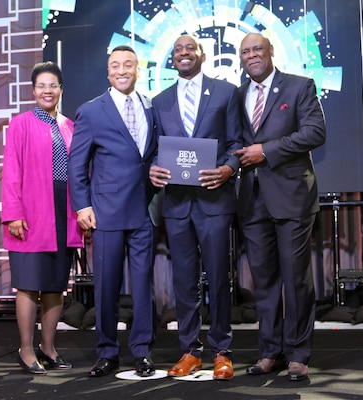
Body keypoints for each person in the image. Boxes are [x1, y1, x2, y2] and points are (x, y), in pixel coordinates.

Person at [233, 32, 326, 382]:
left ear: (271, 52)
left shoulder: (300, 86)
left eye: (257, 49)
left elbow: (316, 132)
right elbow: (234, 144)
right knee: (265, 282)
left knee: (295, 279)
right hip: (251, 201)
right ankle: (270, 352)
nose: (252, 55)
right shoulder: (238, 95)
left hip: (292, 199)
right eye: (245, 52)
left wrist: (267, 150)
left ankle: (299, 354)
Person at [149, 34, 242, 380]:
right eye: (177, 49)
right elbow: (153, 150)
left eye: (190, 48)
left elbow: (237, 142)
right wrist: (153, 167)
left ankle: (222, 350)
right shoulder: (158, 101)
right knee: (184, 282)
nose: (184, 53)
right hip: (176, 205)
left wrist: (229, 168)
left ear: (203, 54)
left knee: (218, 278)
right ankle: (190, 350)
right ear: (171, 58)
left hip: (214, 200)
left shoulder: (226, 92)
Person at [67, 45, 158, 378]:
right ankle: (107, 351)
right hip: (104, 212)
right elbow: (77, 164)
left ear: (138, 69)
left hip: (144, 210)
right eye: (115, 65)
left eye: (128, 65)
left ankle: (143, 351)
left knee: (143, 286)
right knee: (106, 286)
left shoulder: (151, 107)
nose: (122, 70)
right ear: (108, 72)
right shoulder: (91, 111)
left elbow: (153, 154)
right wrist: (81, 206)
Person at [2, 61, 83, 375]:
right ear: (33, 90)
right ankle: (25, 349)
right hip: (31, 214)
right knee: (28, 284)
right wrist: (13, 214)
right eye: (41, 86)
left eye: (53, 85)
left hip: (64, 212)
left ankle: (48, 348)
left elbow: (80, 173)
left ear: (61, 89)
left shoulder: (71, 126)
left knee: (54, 285)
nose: (47, 91)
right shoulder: (21, 123)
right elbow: (11, 172)